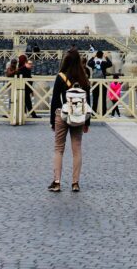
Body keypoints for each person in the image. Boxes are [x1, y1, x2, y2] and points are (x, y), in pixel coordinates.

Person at [49, 47, 91, 193]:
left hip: (62, 114)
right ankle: (75, 183)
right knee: (77, 149)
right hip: (78, 116)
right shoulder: (83, 77)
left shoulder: (61, 76)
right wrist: (87, 122)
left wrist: (52, 121)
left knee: (59, 149)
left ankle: (57, 182)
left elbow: (54, 100)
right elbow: (88, 101)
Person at [87, 49, 112, 115]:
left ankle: (94, 112)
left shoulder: (93, 63)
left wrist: (93, 57)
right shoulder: (104, 63)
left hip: (95, 83)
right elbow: (110, 64)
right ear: (102, 56)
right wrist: (106, 57)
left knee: (95, 98)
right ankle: (103, 113)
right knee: (103, 99)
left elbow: (88, 63)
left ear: (96, 55)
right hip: (103, 83)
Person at [17, 53, 39, 118]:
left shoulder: (20, 68)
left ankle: (26, 114)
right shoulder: (23, 69)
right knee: (27, 102)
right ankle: (32, 114)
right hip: (25, 88)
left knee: (25, 101)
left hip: (23, 87)